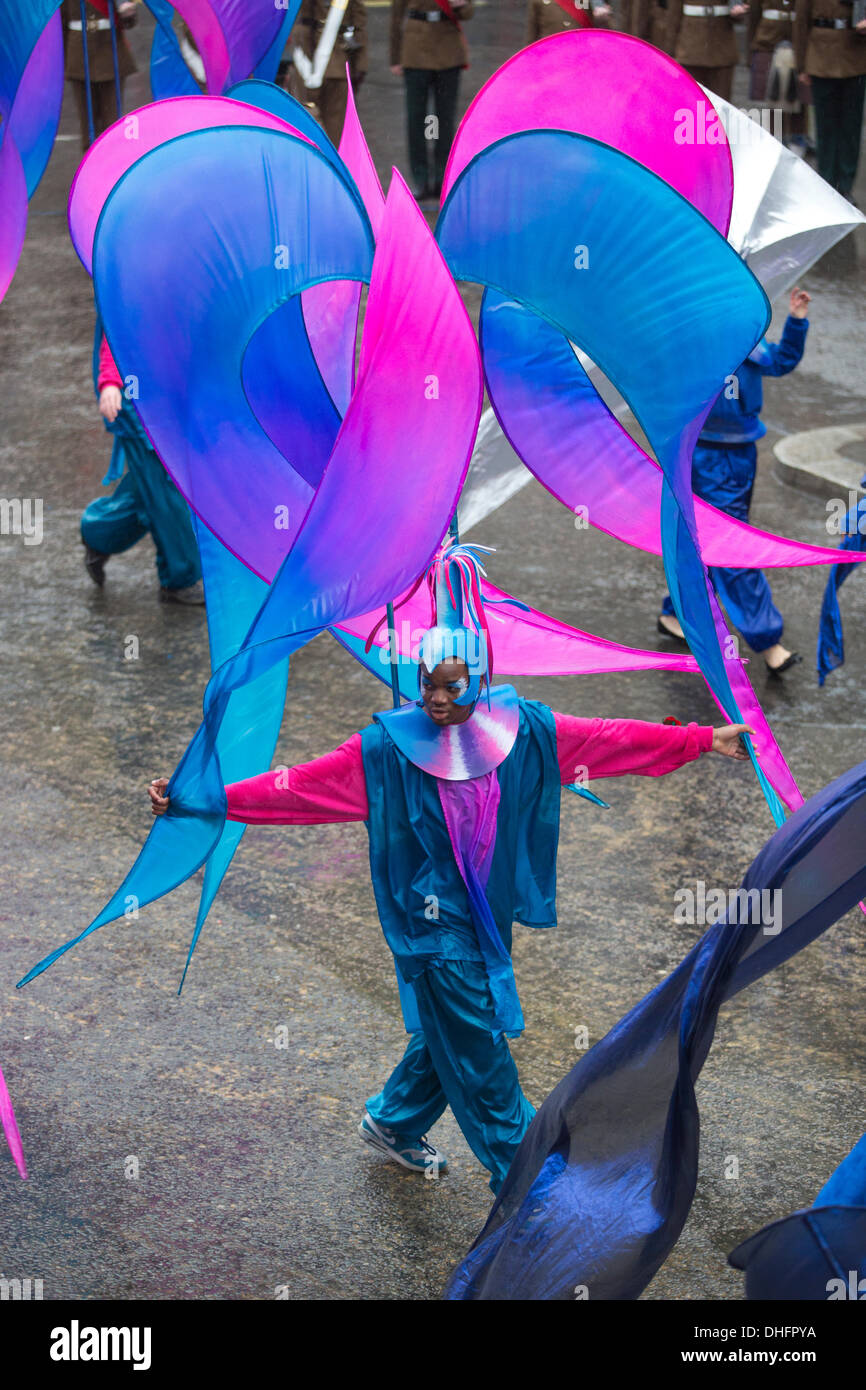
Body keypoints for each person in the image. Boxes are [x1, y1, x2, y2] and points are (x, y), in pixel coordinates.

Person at [149, 542, 752, 1193]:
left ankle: (394, 1121)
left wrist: (700, 739)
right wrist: (204, 802)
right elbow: (298, 788)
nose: (436, 697)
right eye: (427, 681)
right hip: (433, 930)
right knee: (482, 1054)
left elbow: (607, 740)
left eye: (451, 685)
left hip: (483, 917)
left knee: (454, 1028)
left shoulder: (525, 731)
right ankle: (529, 1178)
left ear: (479, 681)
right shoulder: (384, 749)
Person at [658, 287, 811, 674]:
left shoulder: (743, 339)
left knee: (706, 536)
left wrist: (796, 319)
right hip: (697, 452)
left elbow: (780, 360)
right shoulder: (687, 339)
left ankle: (678, 612)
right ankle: (767, 639)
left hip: (732, 454)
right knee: (723, 541)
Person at [81, 330, 204, 604]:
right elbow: (119, 318)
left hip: (173, 396)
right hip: (137, 400)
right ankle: (179, 578)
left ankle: (99, 533)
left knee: (151, 486)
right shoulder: (134, 285)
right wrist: (111, 381)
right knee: (166, 486)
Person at [390, 0, 473, 202]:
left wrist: (460, 5)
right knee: (418, 119)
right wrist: (395, 57)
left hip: (448, 51)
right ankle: (421, 179)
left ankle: (440, 178)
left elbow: (468, 13)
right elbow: (396, 16)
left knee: (443, 119)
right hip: (415, 51)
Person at [794, 0, 866, 197]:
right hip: (821, 57)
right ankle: (827, 186)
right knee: (826, 130)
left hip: (855, 57)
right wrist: (801, 65)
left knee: (850, 129)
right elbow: (801, 21)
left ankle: (846, 188)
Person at [288, 0, 368, 148]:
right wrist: (360, 66)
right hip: (319, 61)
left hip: (318, 61)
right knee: (317, 130)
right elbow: (359, 24)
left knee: (314, 130)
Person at [62, 0, 138, 153]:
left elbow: (129, 20)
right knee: (88, 126)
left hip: (110, 51)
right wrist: (65, 59)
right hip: (79, 53)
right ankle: (89, 171)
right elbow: (61, 22)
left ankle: (114, 169)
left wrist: (128, 13)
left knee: (112, 123)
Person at [666, 0, 750, 102]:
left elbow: (743, 8)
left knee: (720, 107)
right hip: (690, 51)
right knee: (690, 105)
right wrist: (669, 55)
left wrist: (739, 11)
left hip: (722, 50)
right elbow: (673, 17)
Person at [526, 0, 613, 44]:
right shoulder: (538, 2)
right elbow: (532, 32)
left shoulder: (585, 2)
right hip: (550, 51)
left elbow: (593, 26)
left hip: (579, 50)